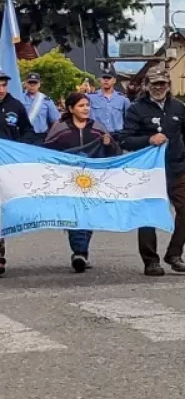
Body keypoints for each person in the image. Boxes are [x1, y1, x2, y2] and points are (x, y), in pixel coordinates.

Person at [120, 67, 185, 276]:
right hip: (149, 170)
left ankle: (174, 253)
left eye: (162, 84)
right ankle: (150, 261)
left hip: (177, 167)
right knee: (148, 215)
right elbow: (125, 139)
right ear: (147, 86)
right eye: (154, 84)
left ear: (168, 85)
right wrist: (148, 140)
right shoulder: (136, 109)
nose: (159, 88)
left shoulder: (178, 107)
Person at [44, 92, 120, 272]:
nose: (86, 109)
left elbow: (115, 154)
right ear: (71, 109)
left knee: (88, 215)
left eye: (87, 105)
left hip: (92, 180)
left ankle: (82, 253)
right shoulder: (60, 129)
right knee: (75, 215)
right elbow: (47, 153)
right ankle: (79, 252)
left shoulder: (97, 129)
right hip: (68, 181)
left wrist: (108, 144)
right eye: (81, 106)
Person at [0, 68, 31, 276]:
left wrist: (20, 148)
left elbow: (28, 131)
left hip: (7, 167)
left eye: (3, 84)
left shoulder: (15, 106)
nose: (1, 89)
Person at [20, 72, 60, 145]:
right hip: (23, 135)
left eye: (35, 83)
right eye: (30, 82)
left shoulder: (46, 100)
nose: (32, 85)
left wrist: (50, 136)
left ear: (39, 84)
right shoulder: (19, 98)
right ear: (25, 84)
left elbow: (55, 120)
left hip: (40, 137)